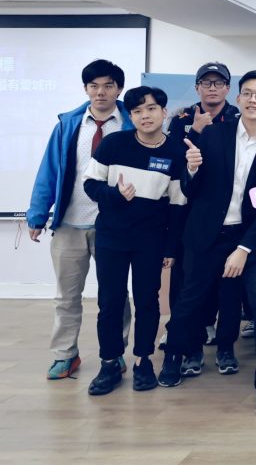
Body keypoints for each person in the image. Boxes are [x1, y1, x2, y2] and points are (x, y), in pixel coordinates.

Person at [158, 71, 256, 417]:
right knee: (189, 300)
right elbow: (190, 189)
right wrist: (192, 170)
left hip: (250, 237)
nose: (253, 100)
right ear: (238, 99)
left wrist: (244, 249)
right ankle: (173, 356)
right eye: (248, 93)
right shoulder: (214, 134)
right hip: (206, 234)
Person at [27, 59, 134, 380]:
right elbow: (49, 171)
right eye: (94, 86)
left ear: (119, 89)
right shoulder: (69, 124)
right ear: (86, 89)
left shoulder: (130, 124)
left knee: (115, 295)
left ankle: (114, 352)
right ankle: (65, 354)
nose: (101, 92)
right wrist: (38, 213)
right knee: (66, 296)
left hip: (114, 226)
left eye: (108, 86)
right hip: (69, 225)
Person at [82, 86, 186, 395]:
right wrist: (114, 195)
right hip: (111, 236)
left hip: (150, 239)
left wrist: (171, 247)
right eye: (138, 111)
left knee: (147, 301)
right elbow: (90, 183)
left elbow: (177, 205)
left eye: (151, 109)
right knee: (110, 301)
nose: (145, 116)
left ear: (164, 112)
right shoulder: (114, 144)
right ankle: (109, 363)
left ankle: (143, 360)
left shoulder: (175, 151)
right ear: (131, 116)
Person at [166, 61, 240, 363]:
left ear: (227, 88)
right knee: (189, 282)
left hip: (229, 213)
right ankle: (185, 339)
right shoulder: (182, 118)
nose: (212, 88)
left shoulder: (238, 118)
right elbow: (173, 159)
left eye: (218, 82)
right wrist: (196, 132)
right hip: (190, 210)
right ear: (197, 87)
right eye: (206, 83)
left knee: (228, 287)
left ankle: (223, 342)